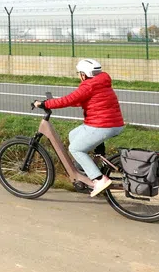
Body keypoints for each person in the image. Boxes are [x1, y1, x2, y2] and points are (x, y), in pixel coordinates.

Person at [34, 58, 125, 197]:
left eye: (79, 73)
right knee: (74, 135)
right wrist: (55, 102)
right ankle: (85, 170)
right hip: (111, 124)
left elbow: (70, 99)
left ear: (83, 74)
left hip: (101, 125)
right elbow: (78, 100)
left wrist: (45, 104)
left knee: (75, 148)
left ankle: (99, 179)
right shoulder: (101, 82)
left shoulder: (88, 85)